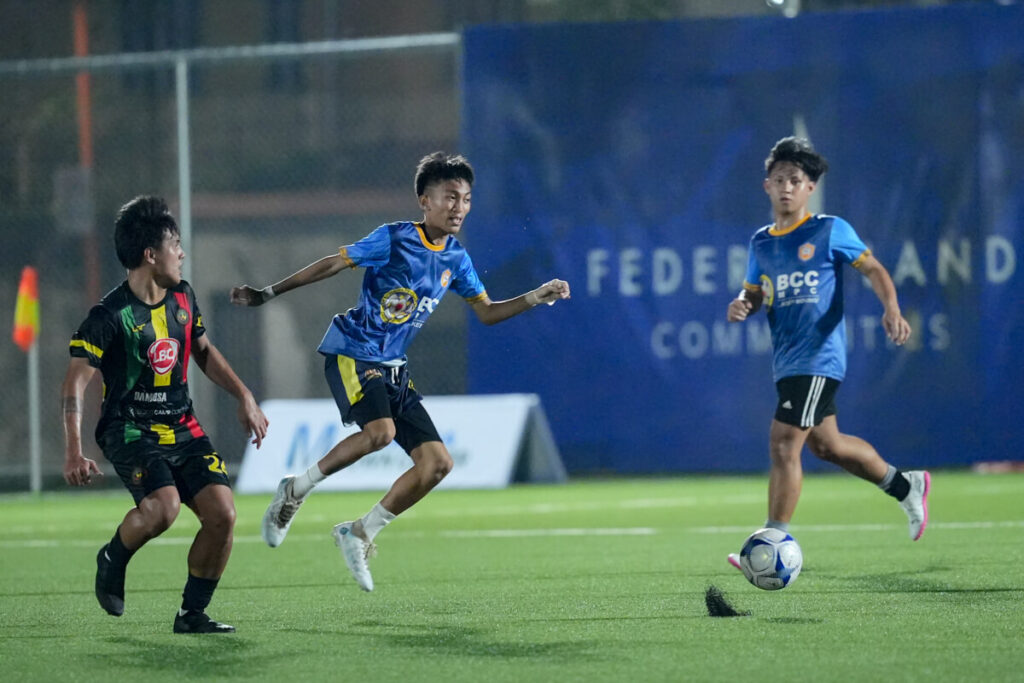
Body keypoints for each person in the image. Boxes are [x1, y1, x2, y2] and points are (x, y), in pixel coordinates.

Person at [230, 151, 570, 592]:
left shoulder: (457, 259)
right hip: (354, 351)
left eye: (466, 199)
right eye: (449, 197)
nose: (459, 207)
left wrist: (535, 296)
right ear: (424, 201)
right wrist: (268, 293)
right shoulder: (393, 238)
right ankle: (295, 490)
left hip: (393, 368)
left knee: (437, 464)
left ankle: (360, 531)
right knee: (381, 433)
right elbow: (335, 262)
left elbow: (486, 313)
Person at [62, 196, 269, 633]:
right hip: (130, 428)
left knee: (223, 516)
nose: (182, 252)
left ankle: (191, 615)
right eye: (175, 243)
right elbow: (75, 383)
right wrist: (74, 451)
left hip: (182, 424)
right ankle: (112, 556)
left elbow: (204, 352)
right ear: (150, 254)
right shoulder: (109, 315)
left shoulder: (183, 296)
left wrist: (244, 395)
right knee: (164, 508)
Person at [725, 137, 929, 568]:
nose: (786, 187)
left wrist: (891, 307)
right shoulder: (761, 242)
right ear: (766, 186)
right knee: (828, 446)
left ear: (810, 188)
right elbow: (754, 291)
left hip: (820, 356)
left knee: (783, 444)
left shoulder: (829, 229)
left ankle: (771, 541)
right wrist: (745, 303)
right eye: (778, 179)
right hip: (787, 359)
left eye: (795, 180)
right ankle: (905, 486)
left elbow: (872, 268)